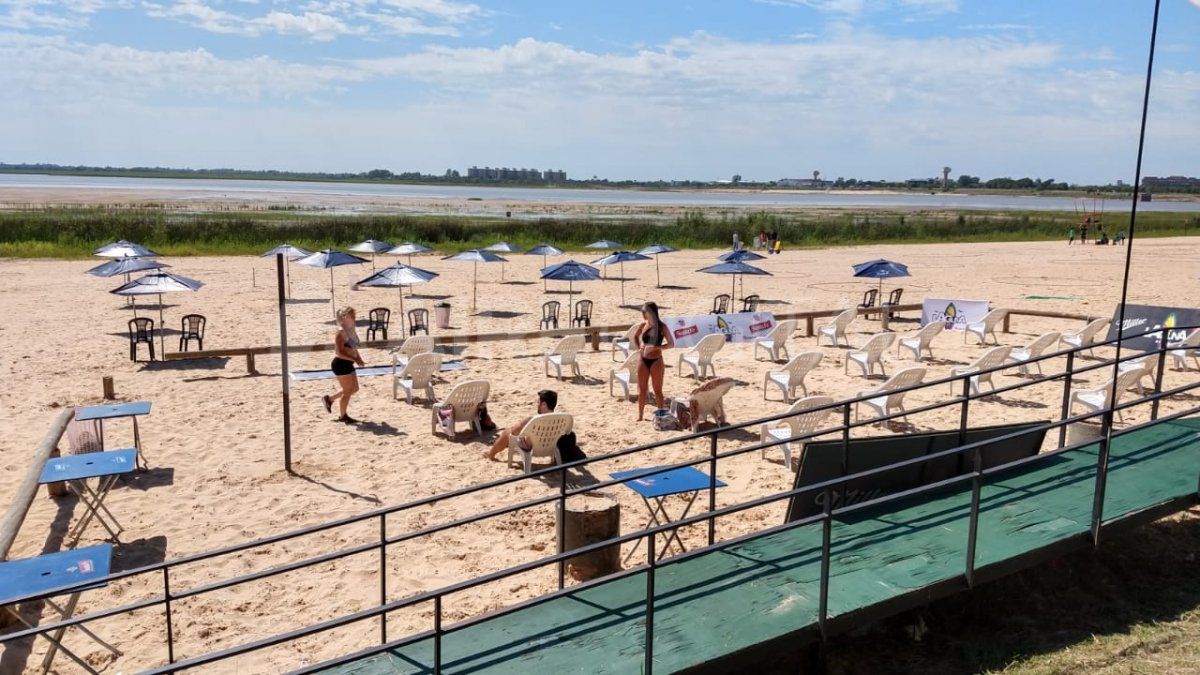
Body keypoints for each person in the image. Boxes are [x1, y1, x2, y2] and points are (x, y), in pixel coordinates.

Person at [484, 390, 558, 461]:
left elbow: (514, 431)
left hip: (532, 448)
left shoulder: (533, 420)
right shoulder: (560, 419)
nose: (537, 404)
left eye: (538, 402)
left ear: (544, 404)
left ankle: (491, 454)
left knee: (507, 433)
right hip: (550, 447)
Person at [322, 307, 366, 424]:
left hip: (348, 363)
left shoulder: (350, 330)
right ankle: (343, 416)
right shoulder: (341, 332)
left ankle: (329, 399)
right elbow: (339, 352)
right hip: (340, 364)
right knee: (347, 392)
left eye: (354, 316)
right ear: (344, 317)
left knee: (354, 389)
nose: (353, 318)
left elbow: (353, 347)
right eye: (351, 316)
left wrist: (359, 358)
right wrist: (355, 359)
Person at [634, 302, 675, 421]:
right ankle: (640, 416)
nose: (642, 313)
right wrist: (639, 347)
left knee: (658, 391)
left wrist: (657, 347)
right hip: (643, 359)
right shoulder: (643, 325)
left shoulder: (662, 326)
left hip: (656, 360)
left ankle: (661, 416)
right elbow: (636, 336)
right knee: (641, 390)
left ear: (651, 312)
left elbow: (671, 344)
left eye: (644, 311)